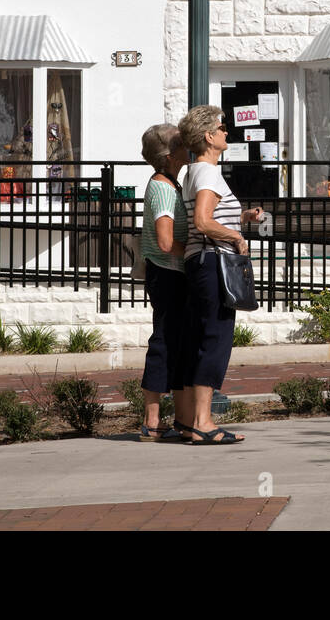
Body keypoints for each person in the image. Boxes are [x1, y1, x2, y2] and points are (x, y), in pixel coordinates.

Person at [177, 105, 264, 445]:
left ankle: (189, 420)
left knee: (200, 337)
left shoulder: (195, 172)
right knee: (216, 337)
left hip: (199, 263)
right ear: (209, 137)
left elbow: (209, 216)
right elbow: (202, 221)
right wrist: (237, 237)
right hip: (214, 262)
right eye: (222, 127)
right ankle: (204, 422)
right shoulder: (208, 173)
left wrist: (241, 217)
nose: (227, 132)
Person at [137, 123, 190, 441]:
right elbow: (166, 241)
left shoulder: (172, 183)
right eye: (182, 143)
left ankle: (168, 419)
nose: (189, 146)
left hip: (172, 273)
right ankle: (152, 421)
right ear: (170, 156)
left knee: (173, 341)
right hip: (167, 273)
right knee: (164, 342)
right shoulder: (162, 188)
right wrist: (198, 251)